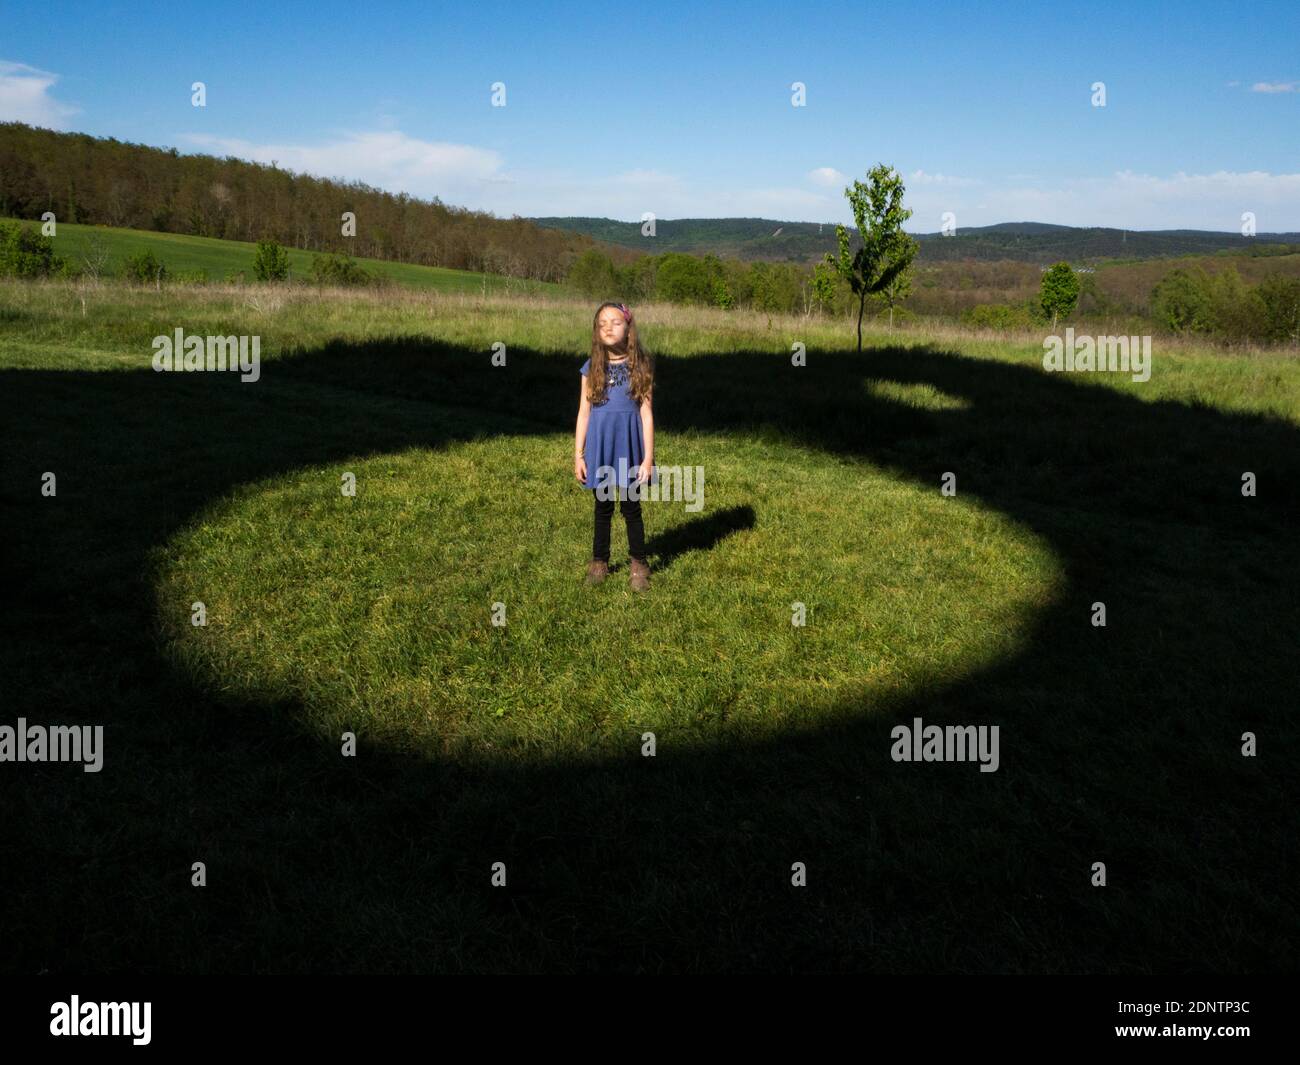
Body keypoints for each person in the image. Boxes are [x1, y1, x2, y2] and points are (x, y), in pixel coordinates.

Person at [574, 301, 656, 590]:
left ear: (628, 328)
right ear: (596, 331)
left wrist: (648, 459)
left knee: (631, 508)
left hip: (630, 448)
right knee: (603, 507)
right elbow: (584, 413)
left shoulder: (640, 366)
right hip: (602, 448)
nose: (608, 327)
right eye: (602, 323)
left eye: (615, 322)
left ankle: (639, 564)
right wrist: (579, 454)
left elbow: (646, 415)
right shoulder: (591, 368)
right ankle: (599, 562)